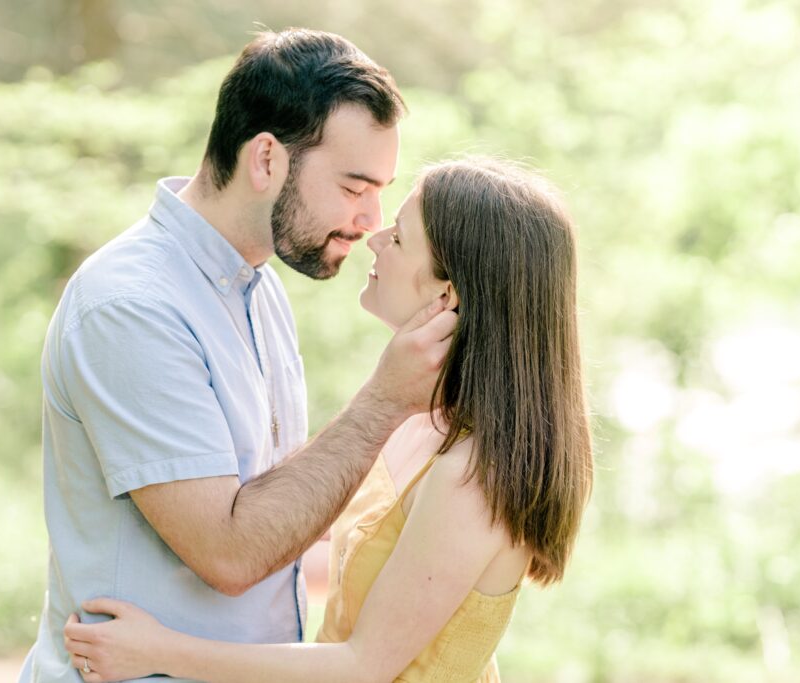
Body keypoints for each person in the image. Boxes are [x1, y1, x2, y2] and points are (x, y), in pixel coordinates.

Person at [18, 29, 460, 683]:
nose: (372, 218)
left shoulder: (261, 293)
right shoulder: (131, 305)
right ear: (265, 161)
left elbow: (280, 509)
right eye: (354, 186)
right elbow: (228, 552)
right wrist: (383, 401)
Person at [62, 157, 595, 683]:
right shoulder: (420, 423)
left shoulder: (472, 476)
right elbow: (359, 561)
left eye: (401, 237)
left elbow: (362, 667)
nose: (376, 238)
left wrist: (161, 651)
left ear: (445, 294)